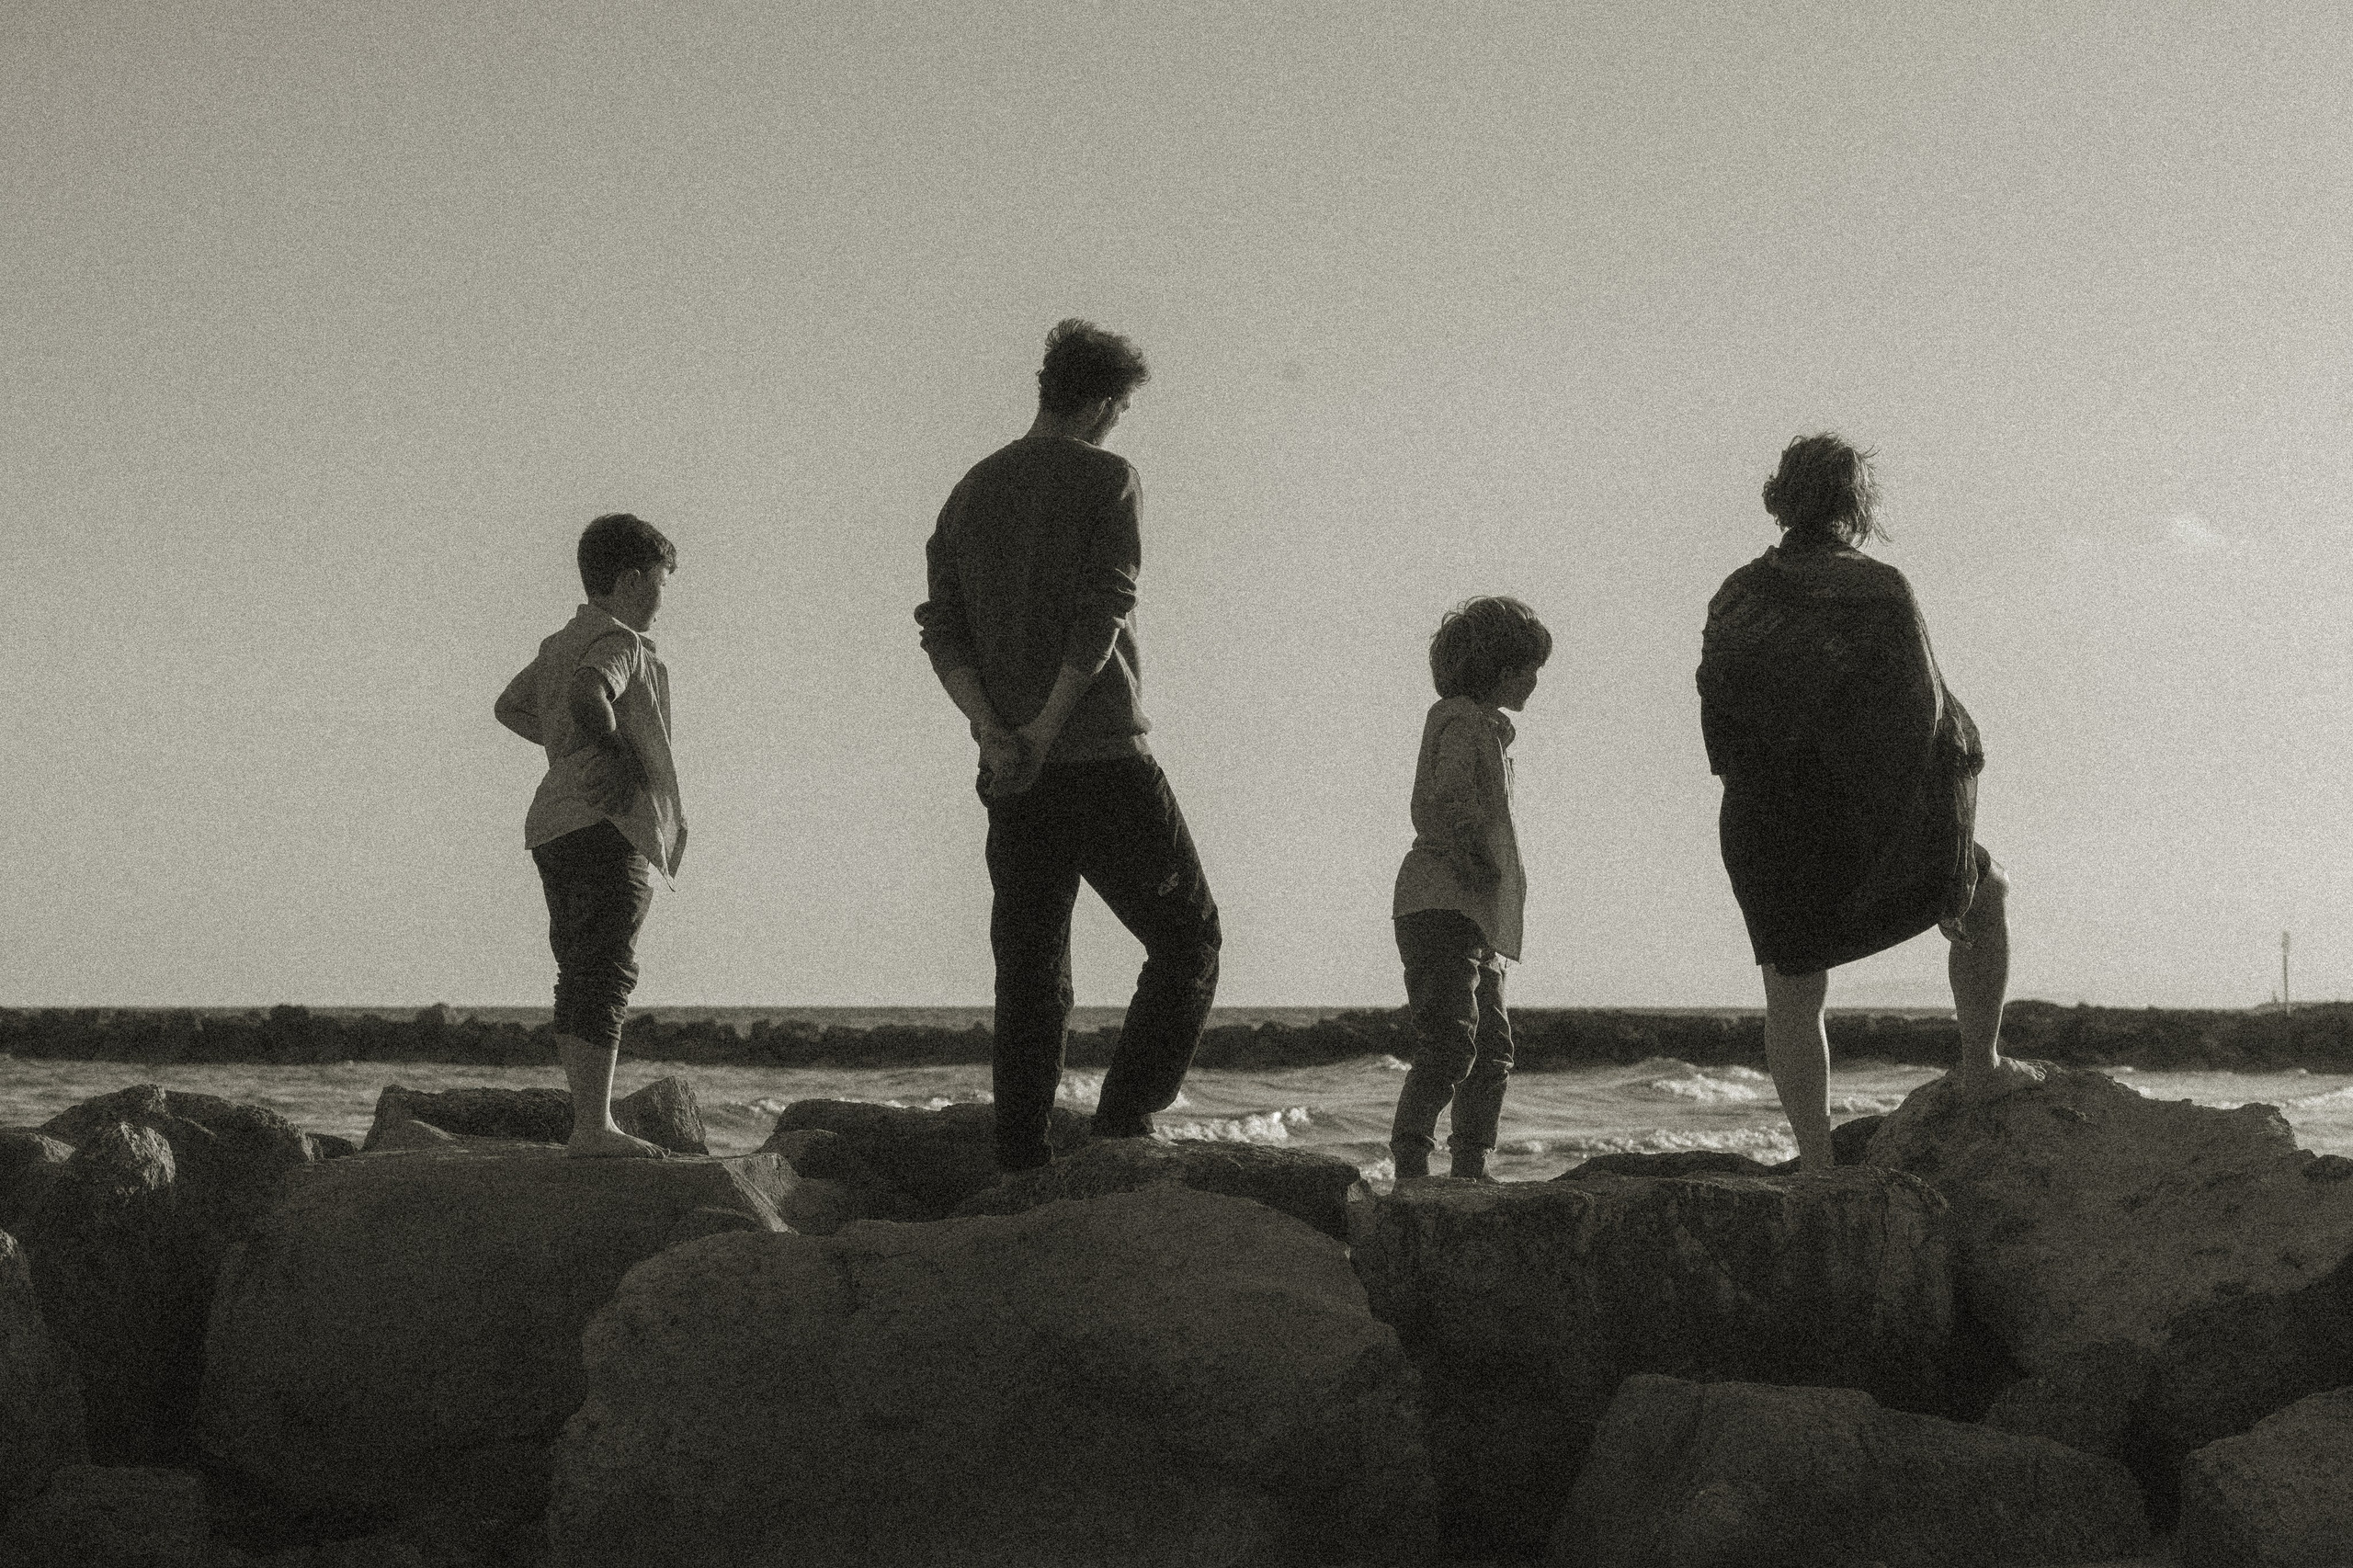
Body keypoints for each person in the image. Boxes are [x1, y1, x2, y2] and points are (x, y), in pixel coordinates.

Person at [915, 319, 1222, 1174]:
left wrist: (992, 730)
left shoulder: (971, 491)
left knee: (1031, 968)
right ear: (1099, 402)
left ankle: (1021, 1158)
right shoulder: (1107, 478)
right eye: (1121, 407)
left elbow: (944, 633)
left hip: (1010, 772)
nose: (1120, 423)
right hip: (1099, 754)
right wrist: (1046, 728)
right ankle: (1121, 1123)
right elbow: (1102, 614)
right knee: (1189, 939)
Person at [1698, 434, 2041, 1173]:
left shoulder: (1735, 595)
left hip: (1760, 820)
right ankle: (1981, 1067)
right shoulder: (1878, 590)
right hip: (1855, 818)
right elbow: (1927, 728)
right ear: (1857, 503)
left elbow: (1719, 719)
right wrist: (1946, 861)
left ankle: (1819, 1167)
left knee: (1793, 989)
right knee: (1990, 889)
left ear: (1781, 496)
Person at [494, 512, 688, 1158]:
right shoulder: (621, 642)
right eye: (663, 581)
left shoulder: (561, 640)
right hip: (606, 823)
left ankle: (587, 1119)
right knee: (608, 967)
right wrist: (616, 756)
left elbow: (513, 706)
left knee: (578, 965)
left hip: (553, 823)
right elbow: (588, 694)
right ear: (633, 581)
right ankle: (594, 1127)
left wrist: (568, 752)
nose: (665, 596)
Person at [1388, 597, 1551, 1183]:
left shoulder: (1488, 731)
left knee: (1492, 1048)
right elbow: (1447, 802)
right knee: (1451, 1040)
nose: (1536, 680)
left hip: (1473, 912)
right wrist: (1473, 860)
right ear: (1499, 670)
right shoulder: (1463, 724)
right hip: (1440, 904)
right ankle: (1411, 1158)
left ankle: (1472, 1165)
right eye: (1529, 668)